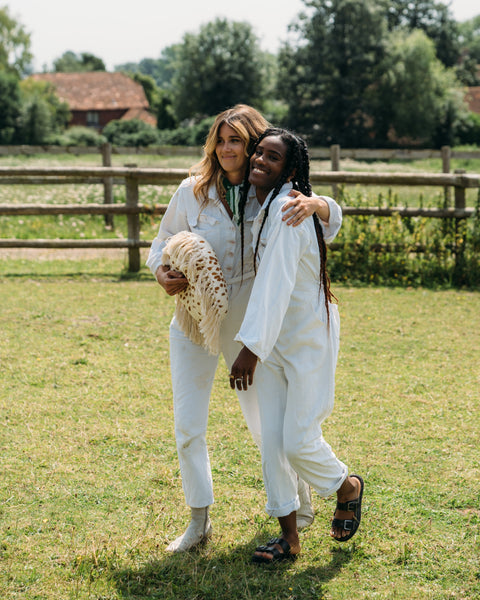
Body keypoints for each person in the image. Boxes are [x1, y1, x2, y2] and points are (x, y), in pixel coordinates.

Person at [146, 105, 341, 553]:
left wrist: (321, 203)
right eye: (221, 139)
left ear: (253, 145)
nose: (228, 148)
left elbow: (325, 228)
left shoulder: (269, 193)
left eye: (237, 139)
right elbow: (161, 242)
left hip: (249, 321)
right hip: (193, 314)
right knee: (188, 425)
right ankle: (199, 522)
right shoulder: (191, 192)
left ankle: (300, 503)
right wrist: (160, 271)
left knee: (263, 424)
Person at [230, 128, 364, 564]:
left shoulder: (290, 209)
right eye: (258, 153)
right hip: (273, 341)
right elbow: (330, 219)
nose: (259, 161)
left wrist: (250, 346)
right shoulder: (264, 202)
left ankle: (347, 487)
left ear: (290, 168)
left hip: (306, 336)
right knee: (272, 440)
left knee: (298, 440)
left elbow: (276, 282)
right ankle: (288, 536)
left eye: (272, 157)